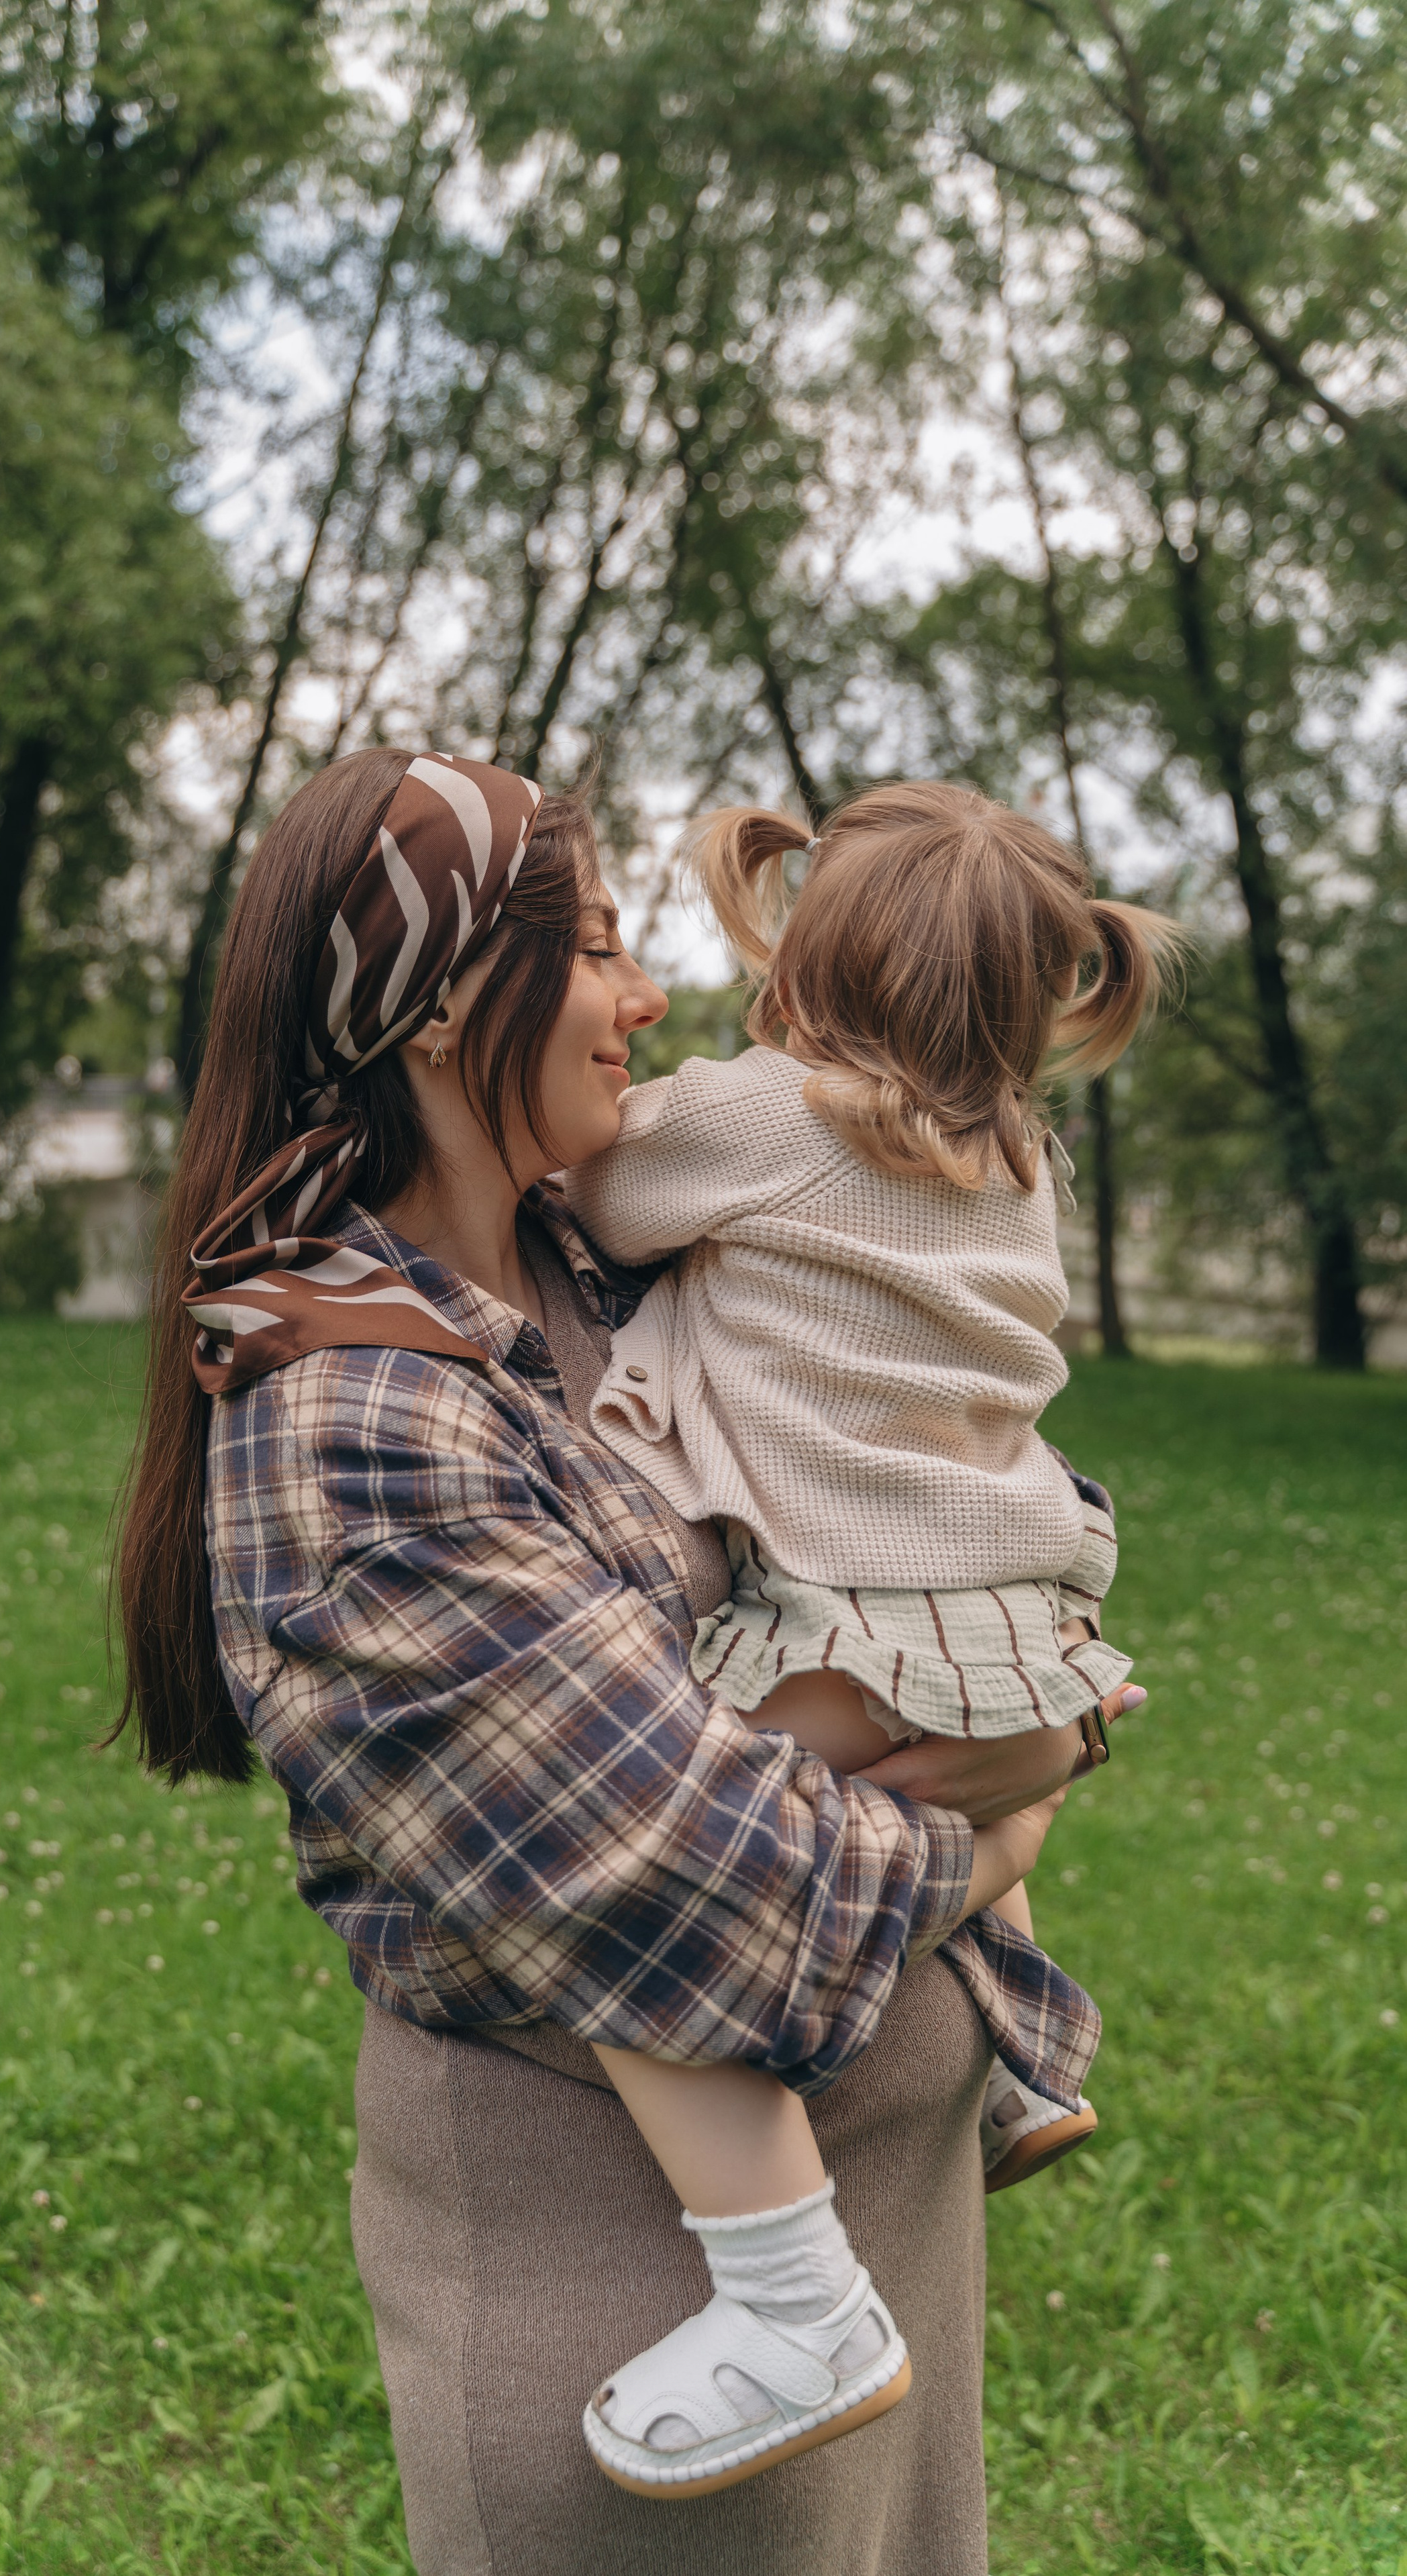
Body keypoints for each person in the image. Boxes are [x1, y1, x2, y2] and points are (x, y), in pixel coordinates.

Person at [116, 747, 1134, 2575]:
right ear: (439, 1010)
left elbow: (927, 1467)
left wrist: (1002, 1709)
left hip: (893, 2251)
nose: (652, 994)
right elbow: (692, 1868)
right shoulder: (353, 1415)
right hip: (630, 2298)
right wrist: (1008, 1824)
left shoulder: (599, 1275)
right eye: (593, 947)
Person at [562, 783, 1177, 2496]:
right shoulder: (1011, 1151)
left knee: (622, 1882)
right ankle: (1020, 2053)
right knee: (967, 1823)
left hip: (848, 1621)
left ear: (806, 955)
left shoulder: (767, 1117)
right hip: (1019, 1601)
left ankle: (786, 2290)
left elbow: (605, 1200)